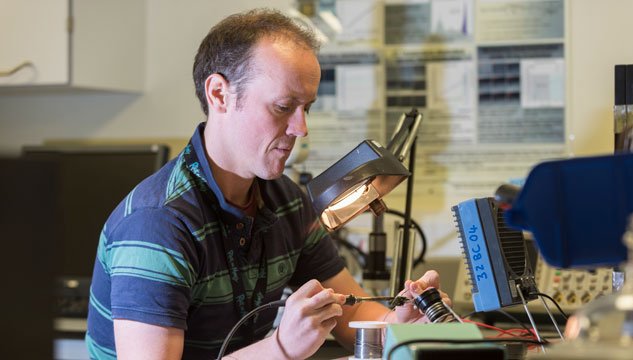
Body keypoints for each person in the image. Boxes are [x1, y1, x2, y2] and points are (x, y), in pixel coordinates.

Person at [85, 8, 450, 360]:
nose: (301, 129)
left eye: (306, 107)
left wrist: (401, 323)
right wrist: (281, 349)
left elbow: (355, 320)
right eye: (282, 106)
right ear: (219, 95)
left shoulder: (286, 202)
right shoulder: (158, 224)